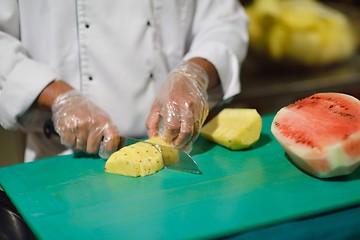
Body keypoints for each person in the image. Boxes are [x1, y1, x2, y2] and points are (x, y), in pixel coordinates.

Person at [0, 1, 249, 162]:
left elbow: (225, 20)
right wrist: (57, 96)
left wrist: (195, 72)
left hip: (177, 145)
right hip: (63, 158)